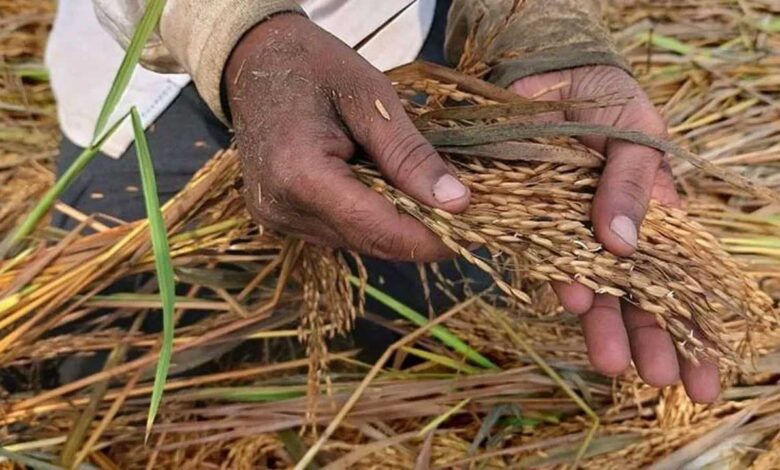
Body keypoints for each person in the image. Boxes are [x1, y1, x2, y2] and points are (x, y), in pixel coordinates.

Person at [45, 0, 720, 403]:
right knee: (104, 360)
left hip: (393, 40)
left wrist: (543, 27)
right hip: (151, 61)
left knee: (440, 323)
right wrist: (235, 31)